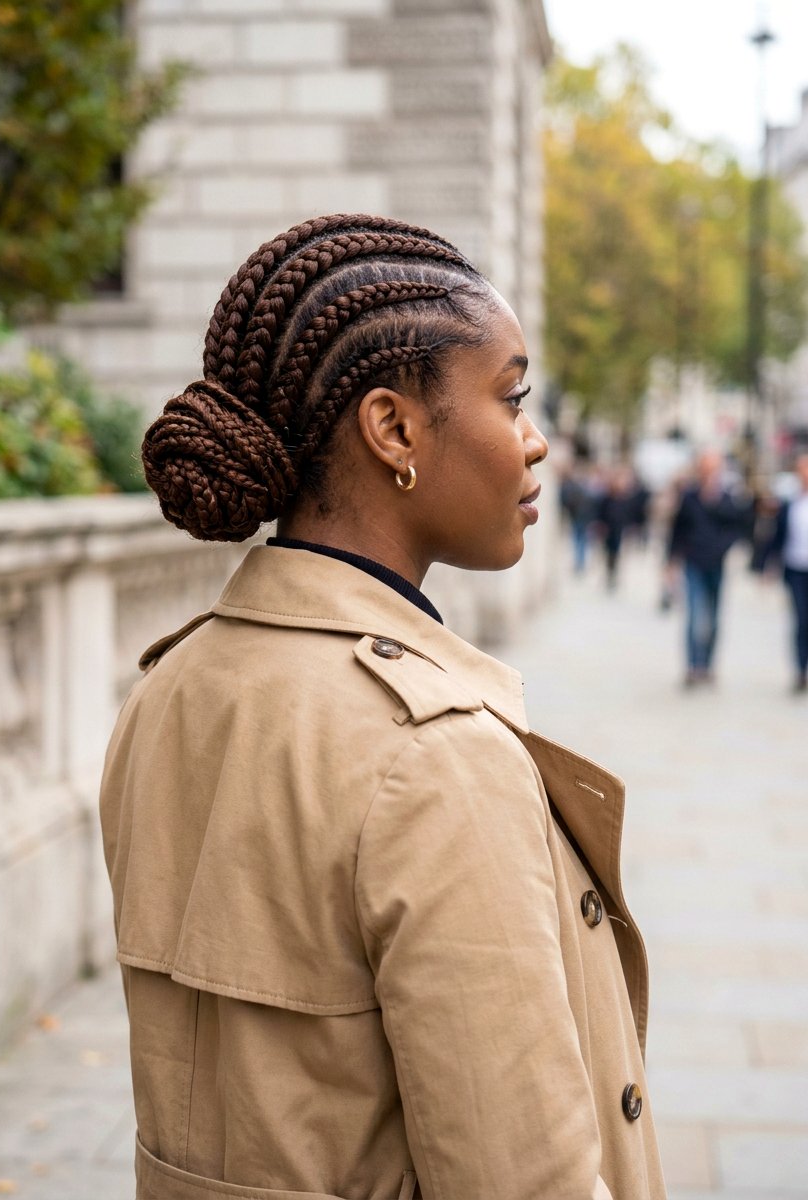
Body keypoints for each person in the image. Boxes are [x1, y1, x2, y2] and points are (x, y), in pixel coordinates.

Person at [100, 215, 666, 1200]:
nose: (535, 442)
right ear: (393, 429)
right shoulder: (436, 755)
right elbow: (517, 1177)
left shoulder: (167, 688)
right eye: (511, 398)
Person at [666, 449, 749, 686]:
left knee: (713, 618)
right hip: (693, 562)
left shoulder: (728, 498)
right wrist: (670, 561)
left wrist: (723, 548)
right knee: (694, 616)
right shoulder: (690, 496)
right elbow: (677, 530)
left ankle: (708, 665)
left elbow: (738, 527)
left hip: (716, 564)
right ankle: (693, 666)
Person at [766, 453, 808, 692]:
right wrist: (767, 565)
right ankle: (801, 670)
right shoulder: (790, 503)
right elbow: (777, 536)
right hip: (796, 569)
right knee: (801, 619)